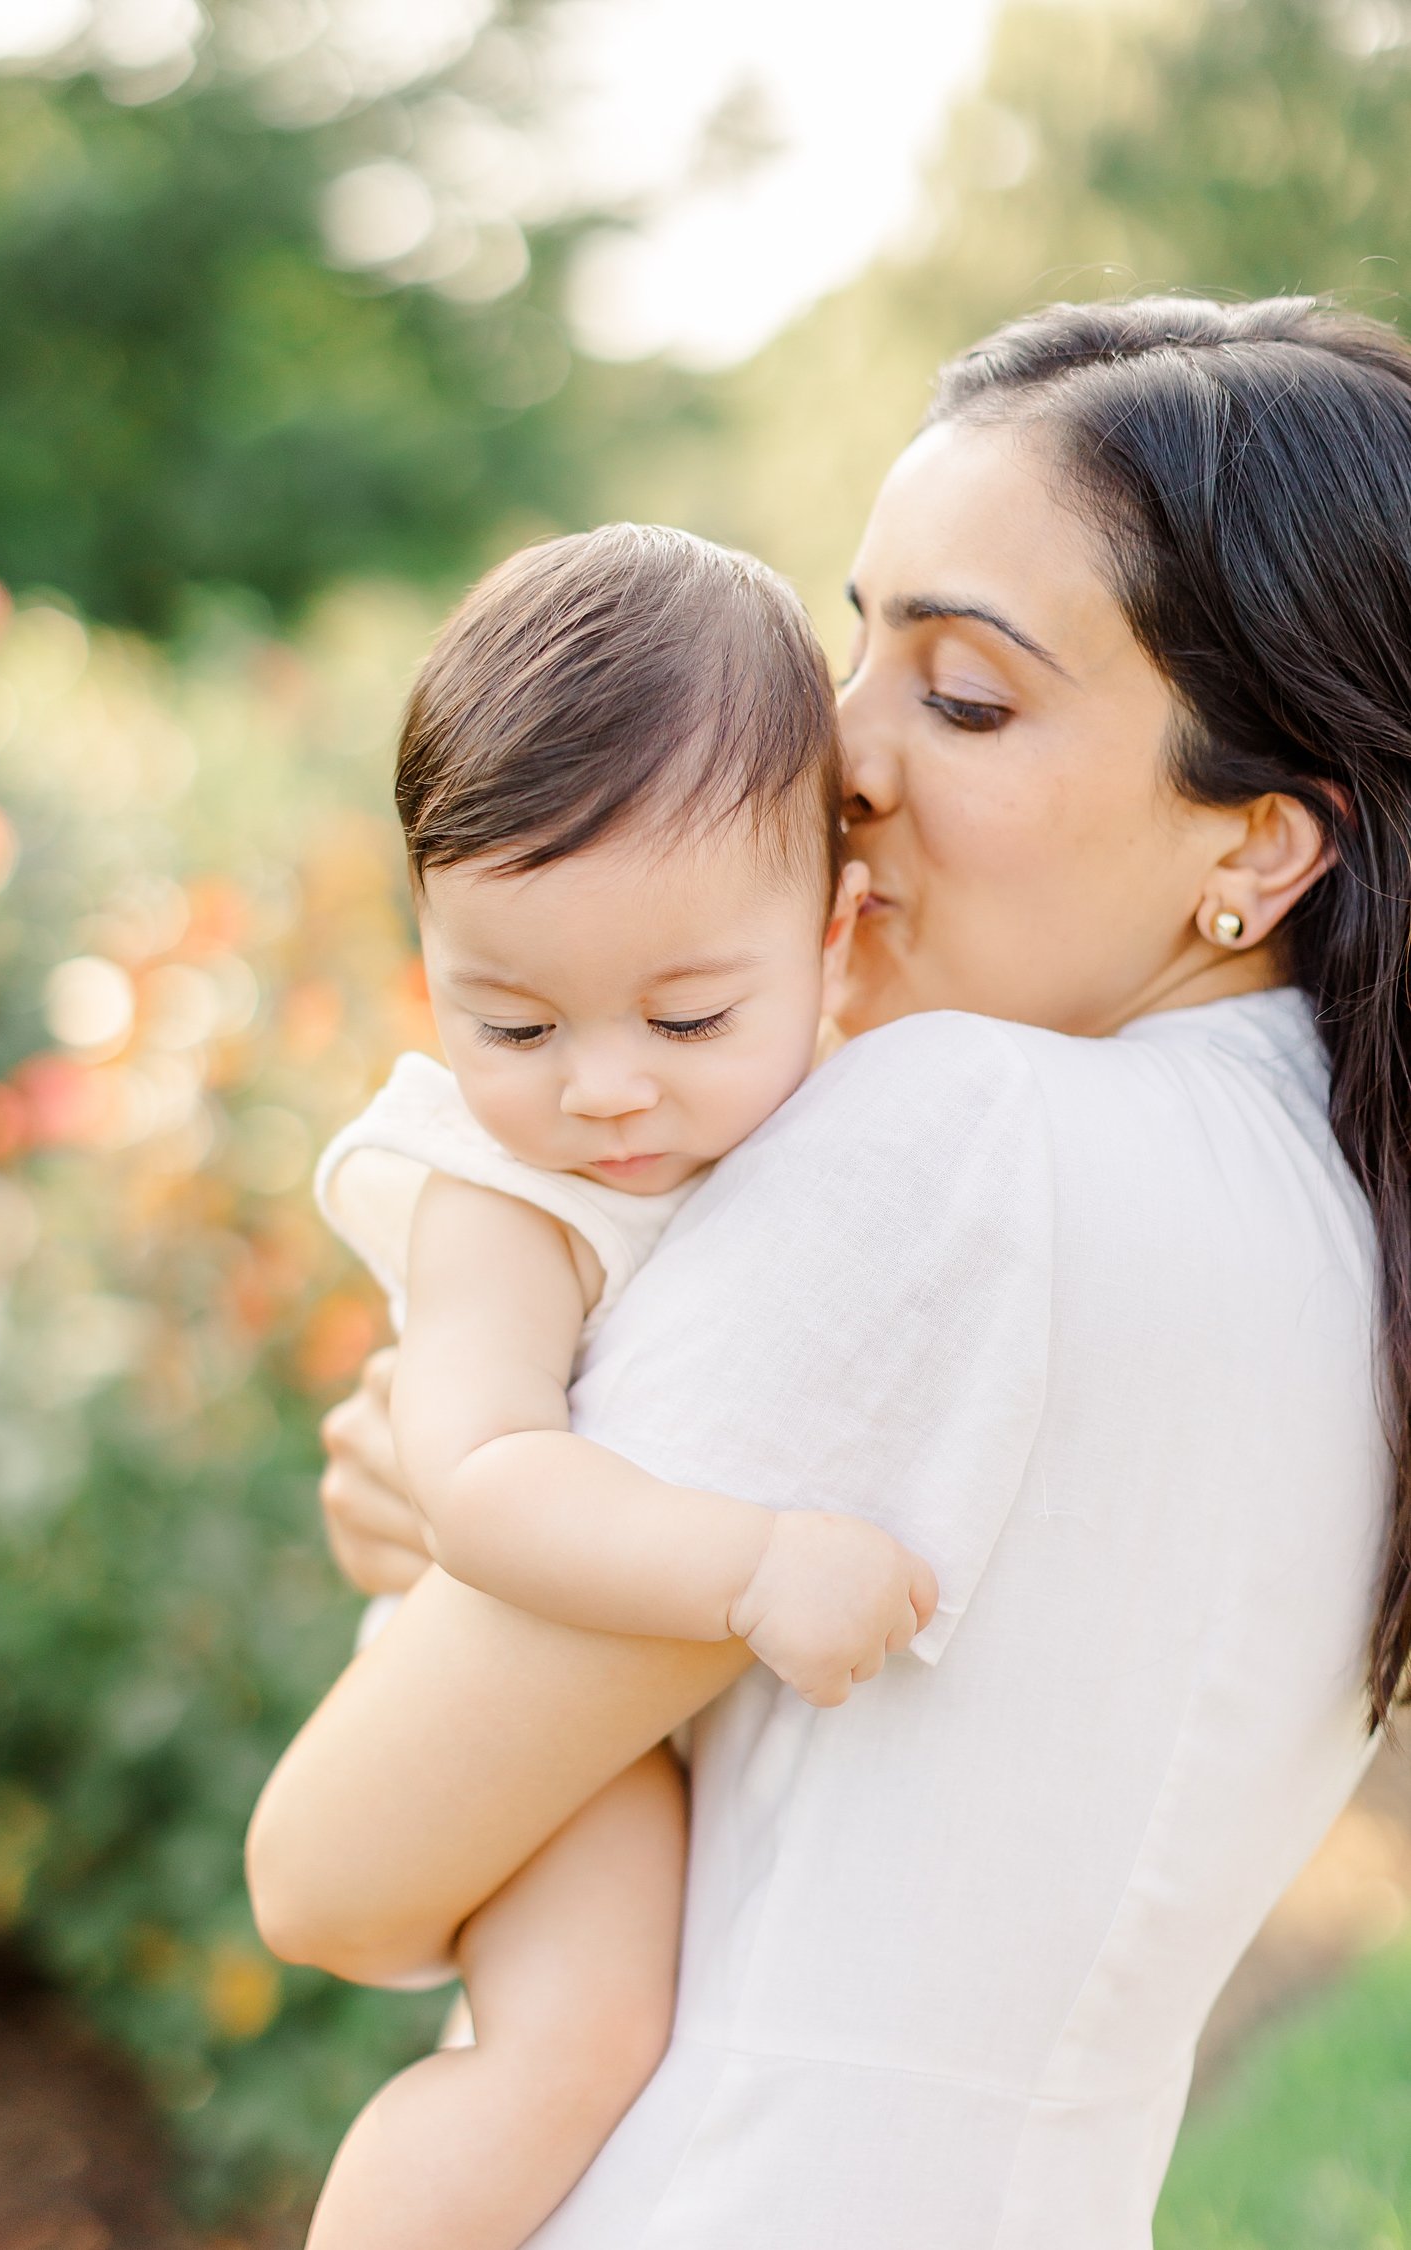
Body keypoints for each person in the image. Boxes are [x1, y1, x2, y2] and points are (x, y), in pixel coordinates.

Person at [249, 296, 1411, 2247]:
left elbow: (332, 1870)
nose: (842, 759)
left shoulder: (962, 1141)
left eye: (963, 696)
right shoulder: (1336, 1214)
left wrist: (456, 1539)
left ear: (1264, 840)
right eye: (856, 639)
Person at [293, 523, 935, 2249]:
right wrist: (750, 1564)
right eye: (511, 1024)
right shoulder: (510, 1204)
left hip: (650, 1715)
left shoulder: (877, 1079)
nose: (603, 1091)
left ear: (835, 930)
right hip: (530, 1723)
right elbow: (484, 1482)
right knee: (570, 2047)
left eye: (687, 1016)